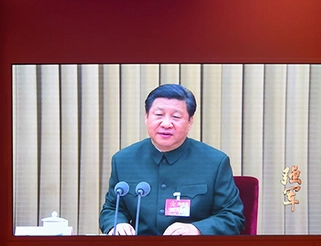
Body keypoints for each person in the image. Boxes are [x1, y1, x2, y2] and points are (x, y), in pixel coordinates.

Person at [99, 84, 244, 236]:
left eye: (176, 117)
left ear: (190, 122)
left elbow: (232, 216)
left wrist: (197, 229)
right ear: (146, 117)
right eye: (159, 115)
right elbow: (112, 209)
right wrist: (117, 224)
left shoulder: (214, 162)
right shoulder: (124, 160)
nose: (166, 124)